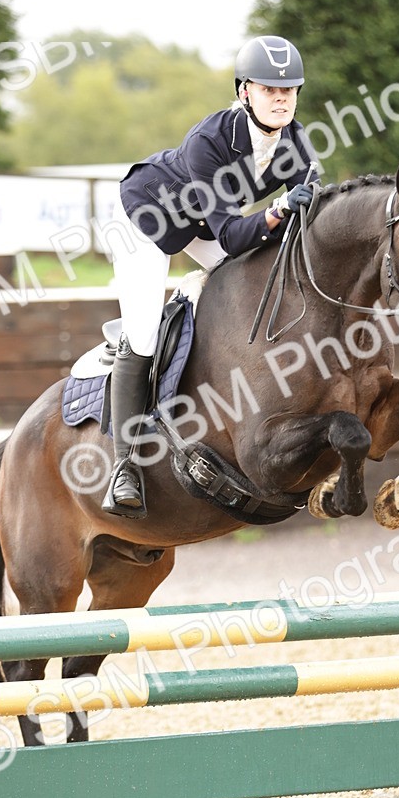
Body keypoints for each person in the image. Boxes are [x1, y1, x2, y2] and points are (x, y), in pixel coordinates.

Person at [100, 34, 317, 519]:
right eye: (269, 89)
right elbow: (234, 236)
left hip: (199, 224)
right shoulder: (210, 141)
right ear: (244, 92)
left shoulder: (295, 141)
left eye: (288, 90)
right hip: (147, 219)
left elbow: (309, 215)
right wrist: (278, 209)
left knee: (254, 279)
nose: (281, 99)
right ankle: (124, 467)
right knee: (143, 335)